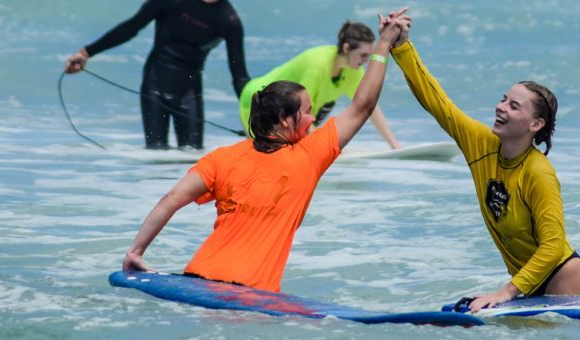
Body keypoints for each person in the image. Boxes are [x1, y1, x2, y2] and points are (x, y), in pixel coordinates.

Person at [120, 10, 410, 292]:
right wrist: (383, 45)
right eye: (308, 112)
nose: (312, 120)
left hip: (197, 280)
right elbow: (363, 106)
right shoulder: (308, 156)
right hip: (249, 294)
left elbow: (172, 198)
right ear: (285, 119)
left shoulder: (222, 158)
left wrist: (136, 251)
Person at [386, 11, 580, 312]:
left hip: (566, 285)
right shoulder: (481, 144)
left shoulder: (538, 172)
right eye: (503, 99)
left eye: (514, 106)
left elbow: (553, 246)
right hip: (530, 288)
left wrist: (504, 293)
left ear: (535, 124)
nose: (501, 108)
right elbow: (439, 105)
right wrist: (401, 47)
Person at [64, 0, 250, 150]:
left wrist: (259, 115)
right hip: (155, 85)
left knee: (191, 156)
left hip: (190, 94)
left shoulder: (229, 20)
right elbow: (131, 27)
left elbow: (239, 75)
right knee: (156, 153)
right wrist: (87, 52)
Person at [238, 21, 402, 149]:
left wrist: (394, 145)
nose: (367, 61)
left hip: (287, 114)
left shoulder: (354, 69)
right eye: (363, 55)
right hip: (257, 101)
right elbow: (297, 111)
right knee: (269, 157)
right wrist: (326, 145)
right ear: (346, 48)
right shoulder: (318, 64)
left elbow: (369, 106)